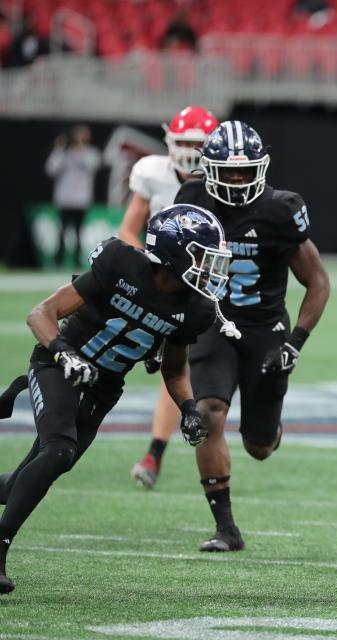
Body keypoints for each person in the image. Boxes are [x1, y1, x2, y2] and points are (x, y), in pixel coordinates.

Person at [0, 204, 230, 594]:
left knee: (22, 483)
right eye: (202, 259)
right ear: (173, 253)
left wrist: (189, 408)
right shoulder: (121, 263)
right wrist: (63, 353)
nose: (210, 271)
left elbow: (174, 370)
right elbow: (42, 314)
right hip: (58, 364)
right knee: (59, 450)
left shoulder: (195, 310)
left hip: (103, 389)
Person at [175, 121, 330, 551]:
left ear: (261, 169)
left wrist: (295, 341)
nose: (239, 180)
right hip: (211, 323)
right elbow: (171, 271)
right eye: (230, 171)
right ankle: (226, 527)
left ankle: (269, 428)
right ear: (209, 169)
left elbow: (317, 282)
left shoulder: (281, 210)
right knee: (208, 413)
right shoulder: (191, 199)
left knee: (259, 446)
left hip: (265, 329)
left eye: (246, 172)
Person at [120, 105, 220, 489]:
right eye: (185, 142)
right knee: (171, 367)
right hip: (161, 280)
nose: (191, 150)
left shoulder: (221, 179)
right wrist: (150, 268)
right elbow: (129, 231)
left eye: (199, 143)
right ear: (169, 141)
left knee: (179, 368)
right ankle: (154, 453)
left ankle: (154, 454)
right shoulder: (152, 172)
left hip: (205, 286)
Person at [45, 125, 101, 268]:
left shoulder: (91, 153)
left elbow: (91, 166)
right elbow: (51, 169)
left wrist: (81, 148)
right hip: (64, 200)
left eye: (83, 135)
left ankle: (76, 259)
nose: (80, 138)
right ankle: (58, 261)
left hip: (81, 200)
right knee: (62, 231)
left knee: (78, 231)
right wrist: (59, 149)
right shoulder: (64, 154)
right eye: (78, 135)